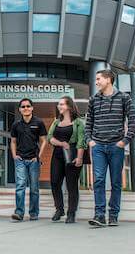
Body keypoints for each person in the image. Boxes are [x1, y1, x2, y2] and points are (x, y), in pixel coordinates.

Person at [85, 69, 135, 227]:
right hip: (98, 146)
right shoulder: (93, 100)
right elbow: (88, 124)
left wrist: (124, 141)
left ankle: (113, 215)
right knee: (99, 180)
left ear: (108, 79)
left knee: (115, 182)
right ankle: (99, 215)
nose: (96, 82)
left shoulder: (124, 98)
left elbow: (134, 121)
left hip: (116, 146)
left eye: (98, 79)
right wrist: (90, 141)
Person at [47, 96, 87, 224]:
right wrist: (61, 143)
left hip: (73, 154)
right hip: (58, 154)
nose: (59, 107)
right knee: (54, 182)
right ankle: (59, 209)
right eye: (58, 104)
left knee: (71, 185)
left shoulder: (78, 122)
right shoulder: (56, 122)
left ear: (69, 106)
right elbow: (49, 138)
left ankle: (71, 213)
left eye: (62, 104)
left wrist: (79, 157)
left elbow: (81, 141)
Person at [10, 98, 47, 222]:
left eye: (28, 106)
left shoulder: (39, 122)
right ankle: (19, 213)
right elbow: (13, 141)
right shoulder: (16, 124)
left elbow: (43, 141)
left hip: (33, 160)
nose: (25, 108)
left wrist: (39, 157)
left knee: (34, 188)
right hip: (20, 159)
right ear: (20, 109)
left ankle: (33, 213)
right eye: (23, 106)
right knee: (20, 186)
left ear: (32, 108)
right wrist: (14, 155)